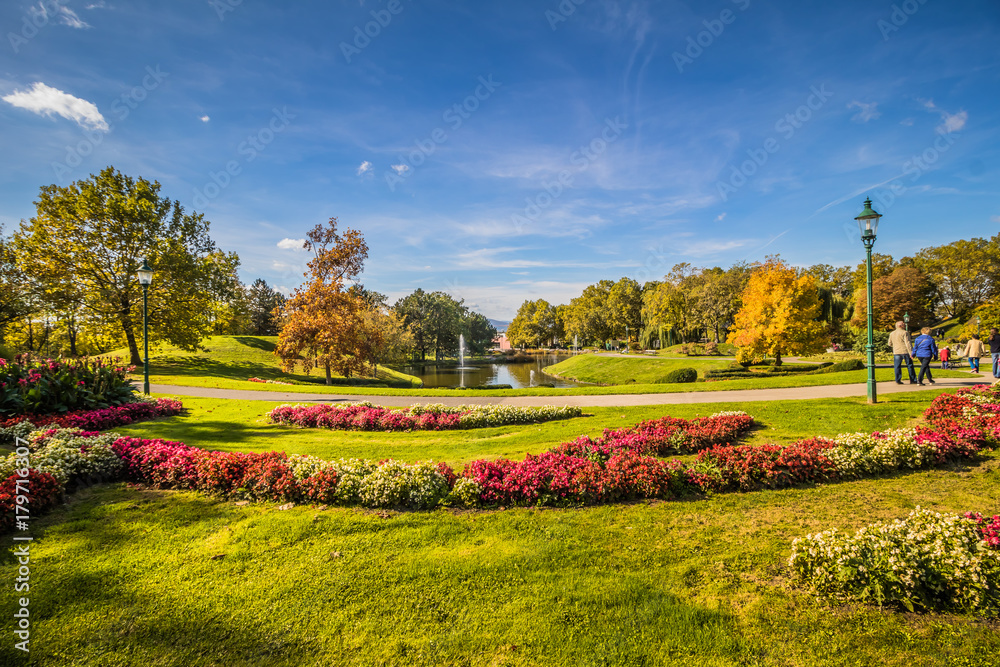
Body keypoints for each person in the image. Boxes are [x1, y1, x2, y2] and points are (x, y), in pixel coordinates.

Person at [887, 320, 916, 385]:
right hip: (905, 351)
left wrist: (895, 346)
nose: (905, 325)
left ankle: (898, 379)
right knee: (910, 365)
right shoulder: (905, 332)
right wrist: (911, 352)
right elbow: (908, 343)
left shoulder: (892, 333)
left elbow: (889, 343)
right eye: (903, 324)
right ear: (901, 326)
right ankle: (913, 379)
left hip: (896, 351)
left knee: (897, 366)